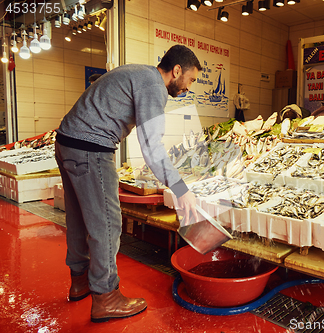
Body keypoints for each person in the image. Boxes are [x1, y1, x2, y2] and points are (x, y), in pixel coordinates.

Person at [55, 44, 201, 323]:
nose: (189, 87)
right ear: (177, 70)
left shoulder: (139, 73)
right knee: (107, 223)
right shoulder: (153, 85)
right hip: (90, 148)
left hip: (67, 142)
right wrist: (181, 189)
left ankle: (80, 281)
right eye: (191, 80)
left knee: (78, 219)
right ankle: (106, 297)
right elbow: (151, 145)